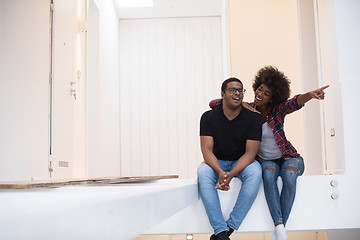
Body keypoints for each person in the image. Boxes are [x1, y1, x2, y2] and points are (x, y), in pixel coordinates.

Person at [210, 66, 329, 240]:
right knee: (267, 175)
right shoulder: (246, 111)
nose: (260, 94)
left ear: (273, 97)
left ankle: (280, 228)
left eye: (266, 93)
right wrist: (242, 103)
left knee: (289, 176)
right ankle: (280, 229)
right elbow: (213, 104)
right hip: (266, 160)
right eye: (259, 89)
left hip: (288, 157)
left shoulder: (278, 110)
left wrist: (310, 95)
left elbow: (295, 102)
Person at [198, 77, 262, 240]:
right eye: (232, 90)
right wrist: (220, 172)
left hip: (241, 162)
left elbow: (250, 153)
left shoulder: (253, 118)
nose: (237, 93)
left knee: (255, 171)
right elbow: (206, 151)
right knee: (203, 172)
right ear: (223, 94)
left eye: (240, 90)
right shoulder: (208, 117)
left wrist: (231, 174)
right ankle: (220, 231)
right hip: (216, 161)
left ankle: (229, 228)